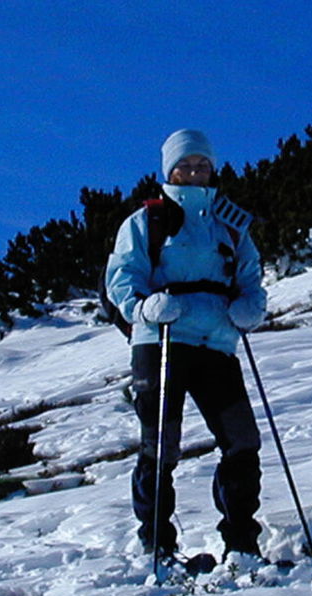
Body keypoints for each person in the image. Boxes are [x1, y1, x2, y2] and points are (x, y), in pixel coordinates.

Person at [105, 128, 269, 566]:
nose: (194, 172)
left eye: (202, 165)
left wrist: (251, 308)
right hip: (161, 341)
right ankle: (157, 543)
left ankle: (241, 542)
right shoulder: (146, 222)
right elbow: (121, 278)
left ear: (213, 169)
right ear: (169, 170)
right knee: (160, 446)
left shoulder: (231, 226)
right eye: (185, 165)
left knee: (242, 442)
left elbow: (250, 279)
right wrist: (145, 306)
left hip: (216, 342)